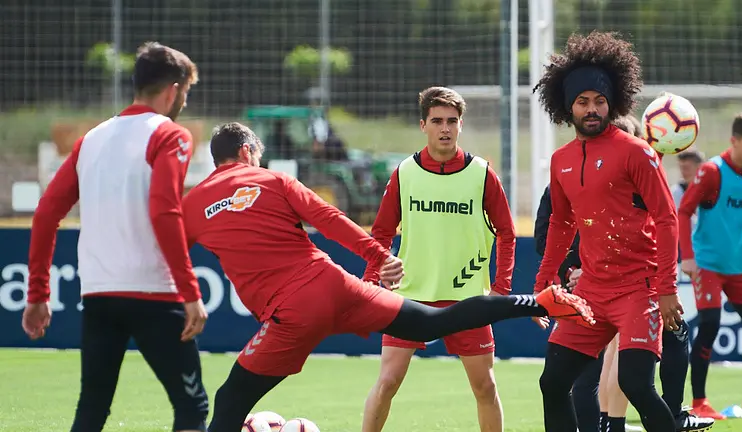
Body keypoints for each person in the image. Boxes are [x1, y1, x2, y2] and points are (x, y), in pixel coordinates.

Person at [179, 122, 595, 432]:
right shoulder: (274, 178)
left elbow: (170, 253)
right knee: (435, 320)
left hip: (290, 314)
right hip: (335, 284)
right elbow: (331, 219)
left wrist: (185, 296)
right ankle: (537, 302)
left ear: (218, 158)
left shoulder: (194, 204)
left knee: (229, 399)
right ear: (249, 151)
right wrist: (379, 257)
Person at [22, 42, 209, 432]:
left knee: (92, 408)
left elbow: (45, 215)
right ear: (173, 90)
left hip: (99, 296)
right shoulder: (170, 135)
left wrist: (38, 294)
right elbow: (164, 210)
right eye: (186, 94)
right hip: (155, 295)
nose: (184, 104)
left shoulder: (91, 139)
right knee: (192, 407)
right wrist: (190, 291)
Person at [531, 30, 685, 432]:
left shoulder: (637, 152)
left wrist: (667, 288)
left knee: (634, 382)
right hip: (591, 291)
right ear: (568, 107)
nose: (592, 109)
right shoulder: (560, 160)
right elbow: (562, 224)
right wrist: (545, 280)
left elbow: (667, 219)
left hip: (640, 288)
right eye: (583, 102)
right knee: (553, 382)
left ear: (612, 103)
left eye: (600, 101)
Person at [360, 87, 514, 432]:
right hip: (411, 296)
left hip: (468, 299)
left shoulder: (482, 173)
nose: (445, 128)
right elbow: (381, 233)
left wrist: (501, 288)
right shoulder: (404, 172)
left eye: (452, 121)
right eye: (437, 121)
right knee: (387, 383)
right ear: (423, 125)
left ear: (461, 126)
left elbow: (506, 233)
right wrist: (371, 282)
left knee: (485, 387)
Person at [678, 111, 742, 419]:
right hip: (708, 265)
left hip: (741, 267)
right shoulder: (713, 171)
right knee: (709, 326)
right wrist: (687, 256)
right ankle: (700, 401)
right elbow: (683, 211)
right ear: (734, 141)